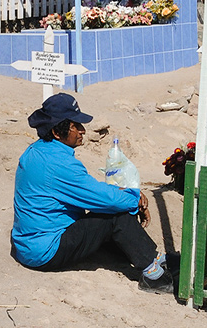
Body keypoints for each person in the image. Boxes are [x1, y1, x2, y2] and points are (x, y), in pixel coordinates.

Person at [11, 93, 173, 294]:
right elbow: (103, 199)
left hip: (28, 244)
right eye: (76, 126)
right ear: (56, 131)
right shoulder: (58, 165)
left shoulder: (38, 152)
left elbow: (90, 190)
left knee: (114, 207)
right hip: (45, 251)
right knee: (116, 215)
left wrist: (124, 194)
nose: (82, 131)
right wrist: (135, 198)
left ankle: (153, 258)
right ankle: (154, 275)